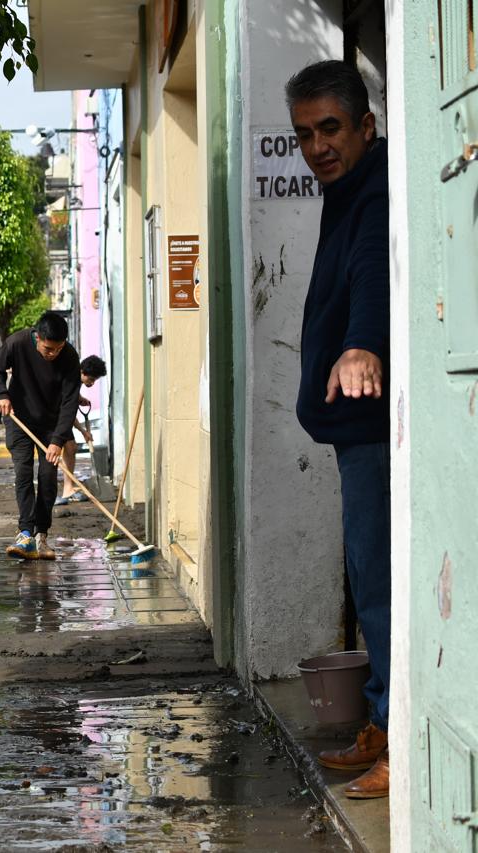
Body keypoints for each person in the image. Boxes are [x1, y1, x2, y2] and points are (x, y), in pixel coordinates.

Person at [288, 60, 390, 800]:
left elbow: (373, 269)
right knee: (370, 579)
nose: (317, 146)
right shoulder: (345, 189)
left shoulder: (375, 191)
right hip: (354, 433)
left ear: (366, 127)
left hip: (374, 428)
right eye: (303, 134)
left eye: (330, 128)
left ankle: (402, 743)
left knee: (381, 587)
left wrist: (362, 343)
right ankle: (384, 723)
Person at [0, 311, 82, 561]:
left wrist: (58, 440)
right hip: (18, 418)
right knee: (23, 472)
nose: (52, 354)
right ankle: (25, 533)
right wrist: (1, 395)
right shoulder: (17, 343)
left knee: (48, 475)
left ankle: (42, 535)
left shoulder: (70, 357)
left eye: (58, 348)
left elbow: (70, 401)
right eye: (48, 348)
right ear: (37, 337)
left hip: (50, 423)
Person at [56, 355, 108, 505]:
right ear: (82, 372)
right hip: (53, 417)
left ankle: (68, 489)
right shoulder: (70, 382)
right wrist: (83, 431)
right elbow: (68, 412)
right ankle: (49, 493)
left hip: (62, 417)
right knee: (53, 453)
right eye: (91, 379)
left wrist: (79, 398)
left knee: (71, 448)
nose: (92, 383)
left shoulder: (74, 379)